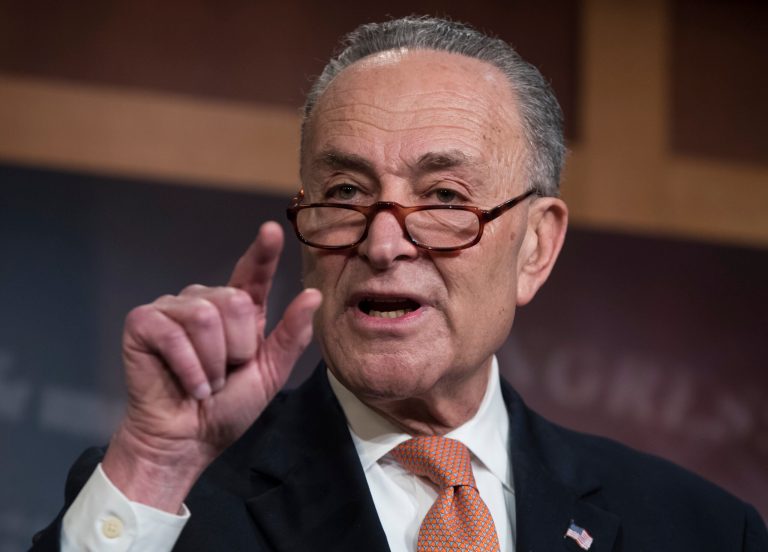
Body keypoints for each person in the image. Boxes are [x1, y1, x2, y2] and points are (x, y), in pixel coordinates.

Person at [30, 16, 767, 552]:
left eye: (444, 198)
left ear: (536, 246)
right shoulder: (167, 500)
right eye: (346, 192)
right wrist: (156, 469)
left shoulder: (699, 528)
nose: (383, 242)